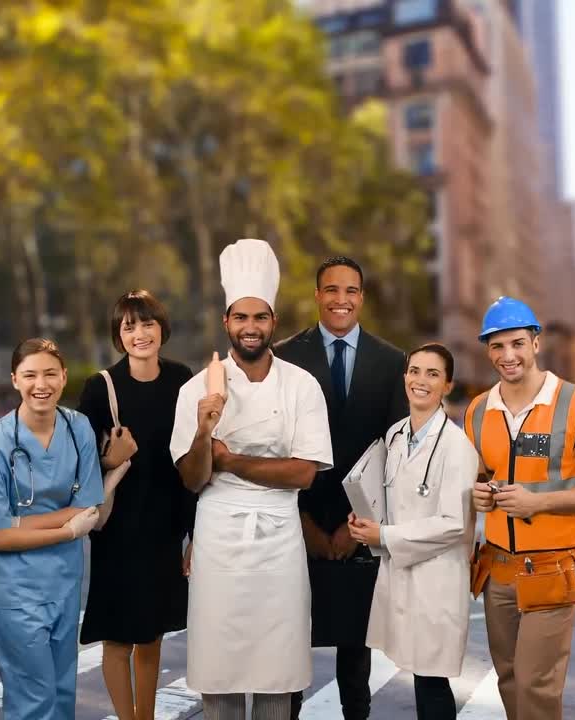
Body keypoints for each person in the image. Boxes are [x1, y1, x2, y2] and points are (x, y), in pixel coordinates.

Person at [170, 239, 333, 720]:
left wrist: (232, 460)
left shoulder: (301, 385)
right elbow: (192, 479)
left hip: (279, 541)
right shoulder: (197, 389)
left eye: (259, 317)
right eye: (240, 318)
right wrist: (204, 432)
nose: (250, 327)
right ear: (226, 323)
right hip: (219, 539)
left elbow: (303, 472)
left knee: (276, 674)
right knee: (218, 672)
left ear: (273, 323)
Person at [466, 298, 575, 720]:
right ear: (488, 350)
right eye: (497, 347)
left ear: (536, 343)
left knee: (537, 685)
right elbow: (480, 477)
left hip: (553, 570)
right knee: (509, 679)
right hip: (497, 569)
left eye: (517, 343)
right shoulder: (479, 410)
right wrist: (479, 493)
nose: (508, 356)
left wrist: (539, 503)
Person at [273, 256, 407, 720]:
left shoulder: (393, 362)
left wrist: (359, 525)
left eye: (350, 290)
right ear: (317, 296)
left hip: (360, 525)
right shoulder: (284, 357)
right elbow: (274, 446)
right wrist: (304, 521)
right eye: (331, 290)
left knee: (356, 655)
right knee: (289, 647)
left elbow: (395, 452)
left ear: (361, 298)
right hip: (297, 521)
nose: (341, 300)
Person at [0, 338, 105, 720]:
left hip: (63, 582)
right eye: (29, 375)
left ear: (63, 377)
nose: (40, 384)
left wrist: (21, 521)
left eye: (49, 374)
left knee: (62, 693)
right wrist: (68, 530)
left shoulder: (79, 430)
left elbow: (89, 507)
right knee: (34, 699)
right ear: (14, 380)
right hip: (12, 589)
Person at [78, 290, 195, 720]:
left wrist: (193, 534)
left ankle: (145, 716)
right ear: (119, 336)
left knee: (152, 636)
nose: (140, 334)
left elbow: (196, 460)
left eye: (147, 324)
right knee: (118, 638)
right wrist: (111, 458)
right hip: (118, 530)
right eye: (129, 327)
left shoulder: (183, 380)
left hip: (165, 527)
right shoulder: (99, 387)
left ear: (162, 328)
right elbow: (78, 460)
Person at [348, 342, 478, 720]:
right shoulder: (395, 435)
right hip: (402, 574)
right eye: (415, 371)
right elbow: (393, 500)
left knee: (432, 680)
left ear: (448, 385)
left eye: (433, 374)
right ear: (405, 376)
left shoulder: (457, 447)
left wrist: (384, 536)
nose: (421, 381)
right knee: (419, 675)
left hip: (436, 581)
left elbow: (453, 524)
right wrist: (365, 519)